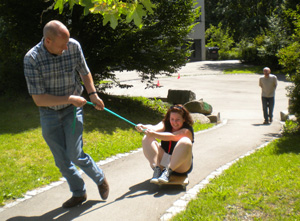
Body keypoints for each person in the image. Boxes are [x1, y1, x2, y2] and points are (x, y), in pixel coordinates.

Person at [24, 20, 109, 208]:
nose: (66, 48)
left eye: (67, 43)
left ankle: (100, 178)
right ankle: (79, 192)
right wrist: (70, 98)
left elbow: (84, 72)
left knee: (74, 153)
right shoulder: (32, 59)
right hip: (49, 113)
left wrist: (93, 94)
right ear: (48, 41)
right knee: (61, 160)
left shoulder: (73, 46)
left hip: (72, 110)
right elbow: (39, 99)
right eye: (62, 45)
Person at [136, 104, 194, 183]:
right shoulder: (165, 124)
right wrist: (143, 127)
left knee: (185, 141)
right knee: (147, 138)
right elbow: (154, 128)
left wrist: (154, 134)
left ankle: (168, 172)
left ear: (184, 119)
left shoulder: (187, 130)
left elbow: (172, 136)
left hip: (181, 165)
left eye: (177, 119)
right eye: (172, 119)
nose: (174, 122)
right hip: (165, 161)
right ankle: (157, 169)